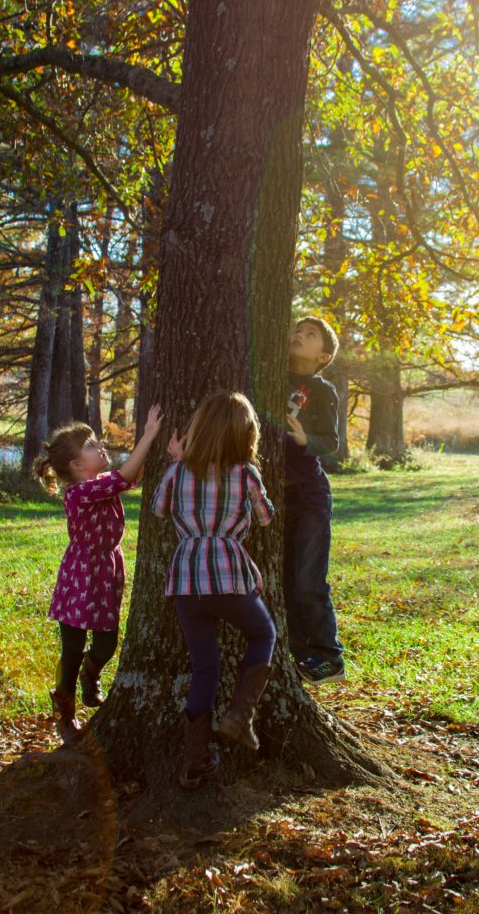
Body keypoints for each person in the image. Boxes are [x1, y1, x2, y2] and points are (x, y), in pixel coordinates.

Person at [152, 391, 276, 790]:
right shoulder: (245, 474)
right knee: (263, 633)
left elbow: (157, 508)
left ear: (197, 431)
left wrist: (177, 463)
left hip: (187, 578)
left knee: (205, 667)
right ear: (245, 436)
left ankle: (194, 762)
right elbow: (266, 518)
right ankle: (240, 714)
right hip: (227, 573)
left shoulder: (177, 471)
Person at [33, 405, 164, 743]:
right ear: (77, 466)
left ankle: (91, 675)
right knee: (72, 647)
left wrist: (158, 449)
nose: (100, 446)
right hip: (80, 575)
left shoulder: (102, 482)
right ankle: (64, 710)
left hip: (105, 570)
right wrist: (148, 435)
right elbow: (124, 477)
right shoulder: (78, 493)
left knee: (107, 641)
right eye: (91, 446)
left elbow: (132, 476)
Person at [285, 316, 345, 685]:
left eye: (310, 336)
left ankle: (329, 657)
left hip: (309, 496)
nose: (299, 336)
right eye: (297, 330)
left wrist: (307, 440)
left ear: (323, 356)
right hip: (274, 496)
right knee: (283, 580)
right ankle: (299, 655)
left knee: (308, 580)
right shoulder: (272, 376)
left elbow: (332, 442)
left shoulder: (323, 390)